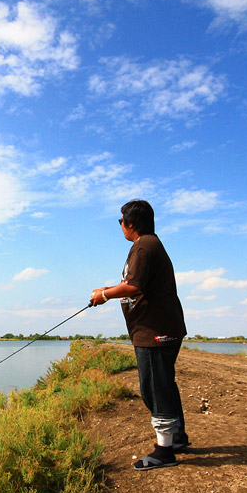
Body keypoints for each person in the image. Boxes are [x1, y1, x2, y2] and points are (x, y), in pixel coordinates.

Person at [89, 199, 189, 470]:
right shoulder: (148, 245)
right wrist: (108, 289)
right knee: (164, 384)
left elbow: (134, 285)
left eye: (121, 222)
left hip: (154, 331)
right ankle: (177, 437)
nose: (120, 226)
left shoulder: (144, 246)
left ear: (130, 223)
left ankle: (164, 451)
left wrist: (105, 295)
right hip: (157, 329)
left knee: (155, 389)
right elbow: (134, 283)